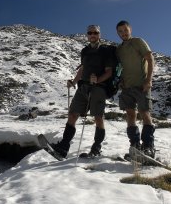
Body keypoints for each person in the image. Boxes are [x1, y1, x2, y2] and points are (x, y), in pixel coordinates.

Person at [51, 25, 114, 158]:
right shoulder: (84, 51)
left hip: (99, 88)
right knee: (73, 114)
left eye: (95, 33)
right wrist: (73, 82)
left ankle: (96, 148)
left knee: (98, 117)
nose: (92, 35)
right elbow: (82, 69)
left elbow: (109, 71)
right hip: (83, 87)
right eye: (90, 33)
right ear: (87, 35)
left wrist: (97, 79)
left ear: (99, 34)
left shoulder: (105, 50)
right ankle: (63, 147)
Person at [116, 20, 155, 158]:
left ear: (130, 29)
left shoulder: (138, 41)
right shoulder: (119, 49)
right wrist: (120, 81)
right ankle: (135, 146)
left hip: (141, 85)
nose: (123, 33)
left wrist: (148, 80)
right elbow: (119, 68)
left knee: (145, 113)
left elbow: (150, 59)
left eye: (125, 30)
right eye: (120, 31)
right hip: (127, 88)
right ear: (117, 33)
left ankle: (148, 147)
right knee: (130, 115)